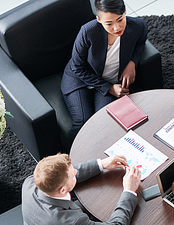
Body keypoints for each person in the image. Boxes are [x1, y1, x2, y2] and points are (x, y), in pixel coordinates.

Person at [61, 0, 148, 147]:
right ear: (99, 20)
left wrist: (132, 63)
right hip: (80, 79)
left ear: (125, 12)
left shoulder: (138, 26)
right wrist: (108, 87)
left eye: (120, 19)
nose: (117, 27)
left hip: (109, 82)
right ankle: (67, 161)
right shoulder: (88, 31)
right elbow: (77, 67)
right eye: (109, 23)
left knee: (105, 121)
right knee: (83, 122)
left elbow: (141, 42)